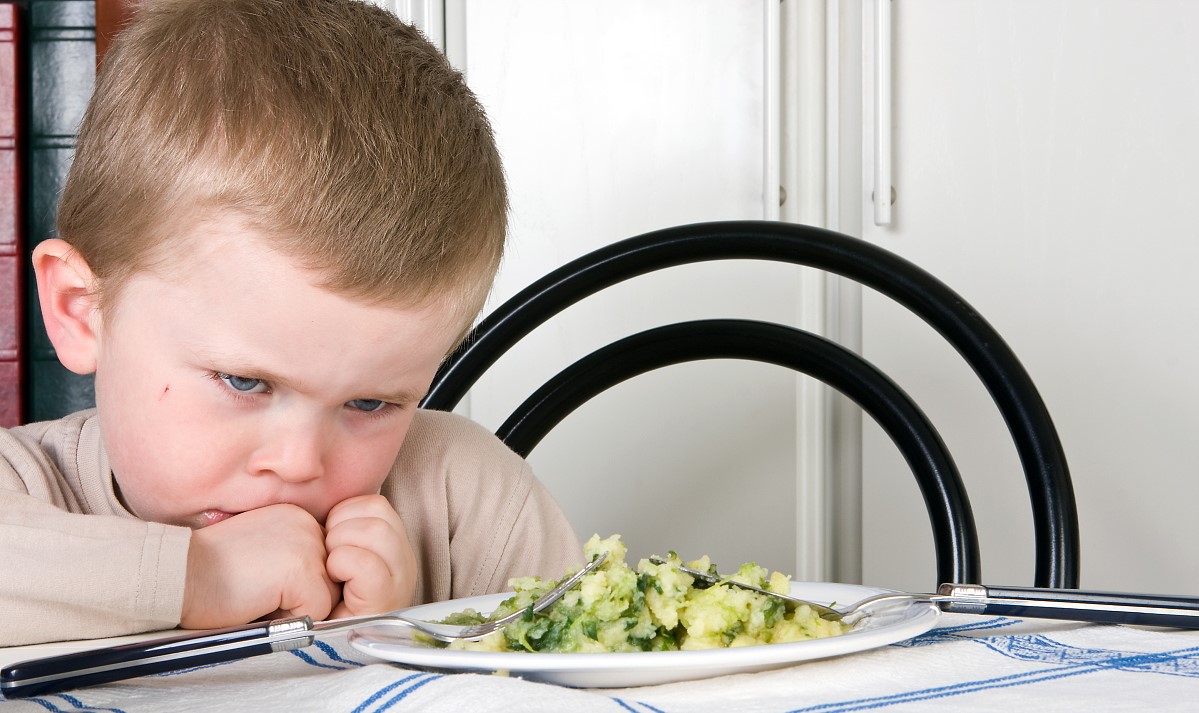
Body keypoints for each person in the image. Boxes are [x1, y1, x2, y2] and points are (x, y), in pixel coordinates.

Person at [0, 0, 581, 647]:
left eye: (370, 402)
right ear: (81, 310)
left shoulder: (468, 506)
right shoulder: (23, 486)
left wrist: (409, 635)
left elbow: (599, 672)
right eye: (245, 382)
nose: (299, 463)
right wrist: (200, 576)